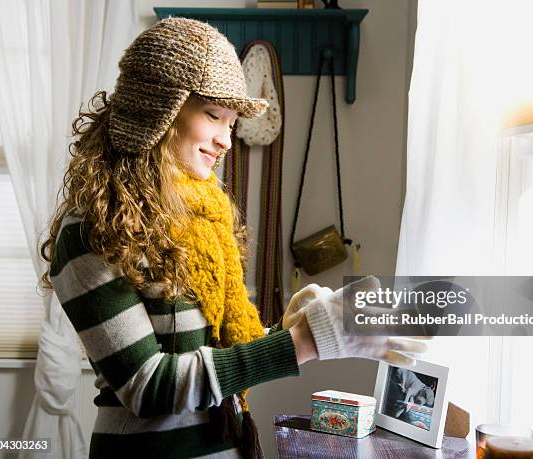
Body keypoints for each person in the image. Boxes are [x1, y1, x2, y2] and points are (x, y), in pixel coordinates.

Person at [40, 18, 427, 458]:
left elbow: (210, 354)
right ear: (159, 110)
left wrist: (282, 330)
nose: (227, 140)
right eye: (213, 116)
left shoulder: (201, 215)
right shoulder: (93, 228)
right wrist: (309, 341)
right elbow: (148, 386)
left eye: (232, 121)